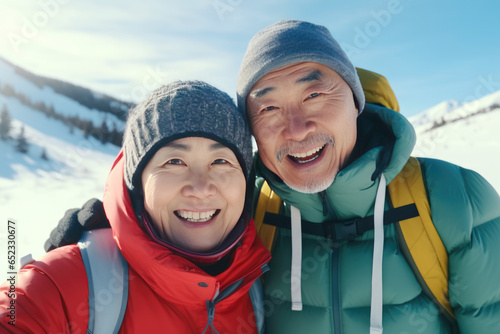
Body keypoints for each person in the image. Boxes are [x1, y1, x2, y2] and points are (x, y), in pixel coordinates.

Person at [30, 20, 500, 333]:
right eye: (269, 107)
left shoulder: (453, 200)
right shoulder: (248, 210)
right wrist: (116, 229)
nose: (296, 129)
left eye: (316, 95)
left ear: (356, 101)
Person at [0, 80, 271, 333]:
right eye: (174, 162)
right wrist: (60, 278)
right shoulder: (65, 285)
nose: (201, 188)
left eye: (221, 162)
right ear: (137, 185)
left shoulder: (256, 285)